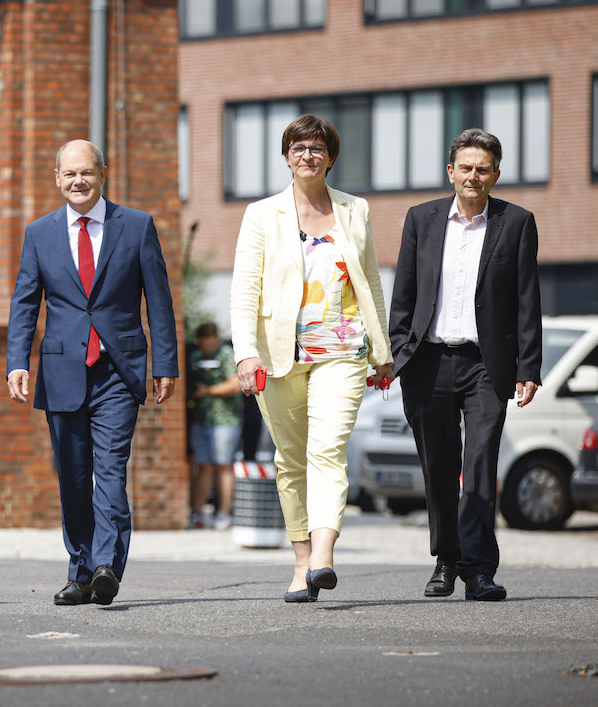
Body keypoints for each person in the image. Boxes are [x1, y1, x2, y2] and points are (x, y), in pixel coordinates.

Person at [229, 114, 394, 603]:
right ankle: (301, 563)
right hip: (279, 355)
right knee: (290, 460)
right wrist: (245, 356)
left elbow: (370, 282)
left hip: (342, 349)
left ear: (331, 156)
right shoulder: (262, 214)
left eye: (317, 148)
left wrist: (381, 350)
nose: (308, 155)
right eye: (298, 148)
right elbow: (245, 291)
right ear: (286, 156)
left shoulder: (354, 209)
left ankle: (323, 555)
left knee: (327, 450)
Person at [6, 139, 179, 606]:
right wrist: (17, 362)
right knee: (72, 477)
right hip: (61, 370)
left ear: (103, 173)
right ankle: (80, 572)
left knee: (110, 469)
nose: (78, 181)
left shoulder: (137, 226)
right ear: (57, 179)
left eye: (87, 172)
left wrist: (165, 364)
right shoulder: (39, 233)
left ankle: (106, 565)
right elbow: (25, 303)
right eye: (69, 174)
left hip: (118, 371)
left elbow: (158, 301)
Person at [388, 128, 542, 602]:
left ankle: (478, 569)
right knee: (437, 467)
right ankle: (445, 560)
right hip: (428, 362)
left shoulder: (516, 222)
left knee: (478, 465)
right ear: (450, 171)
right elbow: (405, 294)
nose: (473, 176)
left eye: (483, 168)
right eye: (465, 167)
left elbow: (526, 299)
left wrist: (529, 367)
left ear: (496, 174)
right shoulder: (421, 219)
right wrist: (396, 356)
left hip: (485, 365)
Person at [188, 322, 242, 530]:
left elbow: (235, 384)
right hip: (201, 419)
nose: (206, 347)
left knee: (223, 466)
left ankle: (223, 514)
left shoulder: (226, 354)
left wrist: (208, 391)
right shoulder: (196, 357)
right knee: (203, 467)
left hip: (226, 421)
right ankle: (198, 514)